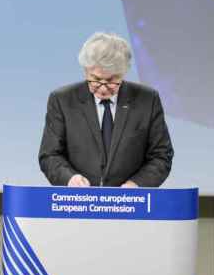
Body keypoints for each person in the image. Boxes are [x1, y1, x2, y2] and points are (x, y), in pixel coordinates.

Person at [39, 32, 173, 187]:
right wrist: (70, 179)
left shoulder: (147, 100)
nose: (102, 89)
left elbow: (161, 156)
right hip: (78, 203)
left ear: (123, 74)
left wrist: (136, 185)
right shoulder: (62, 100)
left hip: (131, 204)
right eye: (95, 79)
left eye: (111, 81)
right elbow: (49, 154)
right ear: (85, 71)